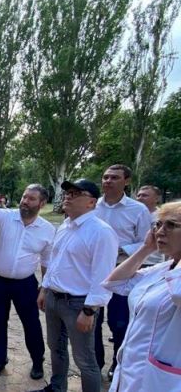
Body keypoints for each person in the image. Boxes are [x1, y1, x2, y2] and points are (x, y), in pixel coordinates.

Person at [33, 179, 119, 392]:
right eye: (67, 193)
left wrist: (89, 310)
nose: (68, 197)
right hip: (54, 298)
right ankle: (57, 387)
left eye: (75, 194)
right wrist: (45, 288)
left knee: (85, 359)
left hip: (79, 304)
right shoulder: (65, 225)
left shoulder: (101, 232)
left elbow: (103, 277)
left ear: (91, 202)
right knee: (56, 348)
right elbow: (55, 262)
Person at [0, 185, 55, 380]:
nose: (25, 201)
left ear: (42, 203)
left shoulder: (47, 230)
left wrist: (44, 289)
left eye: (31, 199)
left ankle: (37, 361)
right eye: (24, 197)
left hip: (25, 285)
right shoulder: (5, 217)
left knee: (31, 324)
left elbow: (47, 262)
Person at [101, 201, 181, 391]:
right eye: (158, 224)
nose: (160, 232)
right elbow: (114, 283)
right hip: (132, 366)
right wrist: (146, 248)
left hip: (162, 378)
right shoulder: (162, 268)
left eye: (171, 225)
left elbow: (178, 294)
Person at [94, 165, 160, 378]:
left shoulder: (138, 210)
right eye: (105, 177)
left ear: (127, 181)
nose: (108, 181)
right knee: (92, 319)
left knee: (119, 322)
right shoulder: (93, 206)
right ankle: (95, 363)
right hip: (94, 271)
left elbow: (146, 242)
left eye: (114, 177)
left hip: (122, 272)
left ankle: (117, 364)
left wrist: (120, 249)